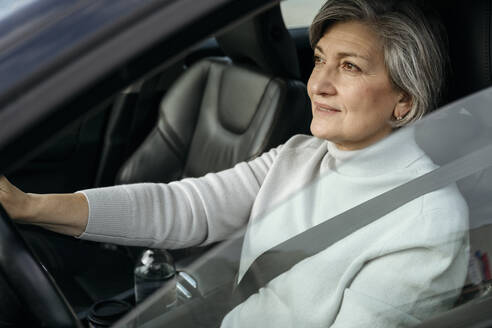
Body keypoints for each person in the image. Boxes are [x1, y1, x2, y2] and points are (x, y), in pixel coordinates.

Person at [0, 0, 469, 327]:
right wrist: (30, 207)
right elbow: (182, 207)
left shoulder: (427, 222)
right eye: (320, 59)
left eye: (350, 67)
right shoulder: (300, 156)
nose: (318, 83)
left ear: (404, 101)